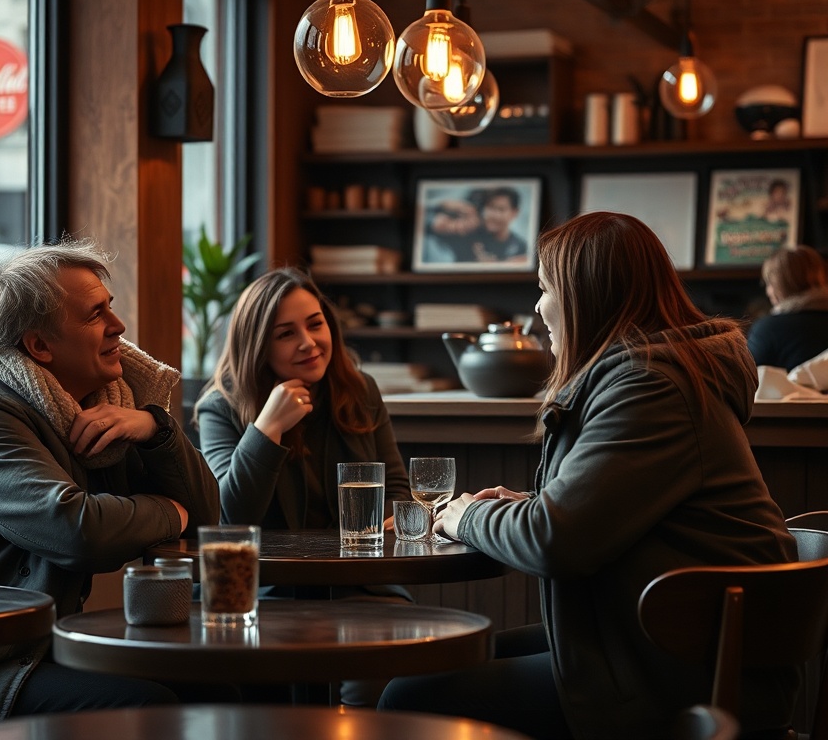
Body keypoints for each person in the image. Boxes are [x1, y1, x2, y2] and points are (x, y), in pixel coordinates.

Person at [378, 212, 796, 739]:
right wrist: (528, 504)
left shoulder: (650, 386)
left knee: (410, 695)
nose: (537, 307)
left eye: (544, 288)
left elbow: (554, 540)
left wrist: (467, 515)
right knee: (439, 663)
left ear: (585, 296)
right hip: (669, 643)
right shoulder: (652, 375)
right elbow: (606, 509)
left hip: (682, 671)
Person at [0, 239, 223, 737]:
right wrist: (170, 511)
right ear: (39, 346)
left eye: (109, 309)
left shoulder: (101, 408)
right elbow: (77, 531)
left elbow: (207, 514)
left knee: (215, 684)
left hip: (27, 655)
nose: (118, 327)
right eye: (96, 315)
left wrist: (153, 427)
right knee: (149, 707)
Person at [193, 267, 411, 704]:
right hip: (264, 593)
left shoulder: (359, 390)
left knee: (381, 664)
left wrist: (393, 519)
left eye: (315, 324)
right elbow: (230, 519)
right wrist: (266, 428)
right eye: (286, 333)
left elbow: (399, 495)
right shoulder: (221, 406)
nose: (309, 342)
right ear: (258, 345)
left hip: (357, 587)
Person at [747, 245, 828, 371]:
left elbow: (745, 379)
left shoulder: (768, 329)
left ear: (779, 285)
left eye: (769, 283)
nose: (768, 292)